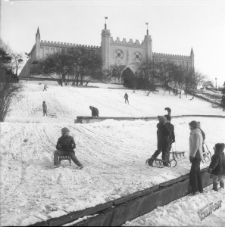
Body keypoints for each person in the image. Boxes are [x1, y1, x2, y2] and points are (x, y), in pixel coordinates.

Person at [189, 121, 204, 195]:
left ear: (192, 126)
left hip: (196, 155)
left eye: (190, 126)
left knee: (193, 173)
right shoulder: (198, 132)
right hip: (198, 154)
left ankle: (195, 190)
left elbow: (195, 146)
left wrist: (192, 155)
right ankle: (200, 189)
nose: (189, 127)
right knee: (197, 173)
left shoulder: (195, 133)